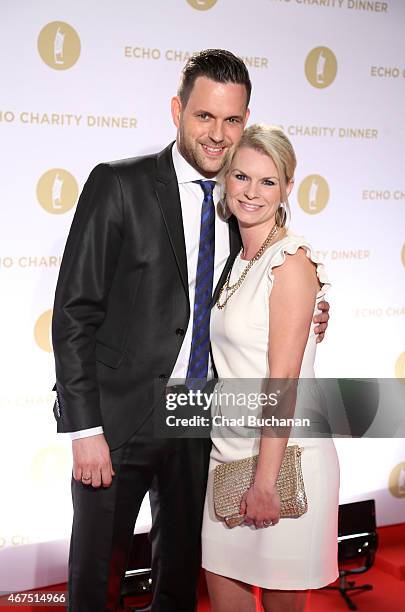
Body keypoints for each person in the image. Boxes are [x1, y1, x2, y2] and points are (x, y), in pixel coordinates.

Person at [51, 50, 330, 611]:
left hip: (201, 425)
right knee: (93, 584)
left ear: (245, 122)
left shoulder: (240, 206)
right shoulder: (119, 184)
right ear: (178, 110)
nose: (217, 134)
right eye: (205, 116)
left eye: (232, 121)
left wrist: (312, 313)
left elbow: (263, 293)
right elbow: (74, 312)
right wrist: (84, 429)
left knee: (179, 582)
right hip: (118, 421)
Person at [201, 124, 339, 612]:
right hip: (227, 456)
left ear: (286, 188)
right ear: (225, 180)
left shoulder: (292, 262)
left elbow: (283, 382)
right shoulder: (236, 258)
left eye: (267, 181)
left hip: (284, 463)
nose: (251, 192)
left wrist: (265, 480)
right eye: (241, 177)